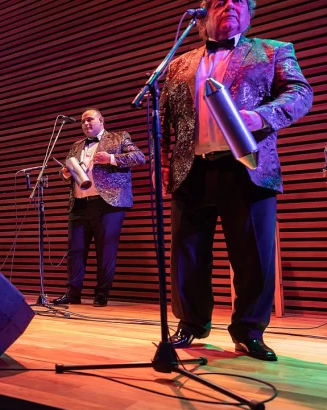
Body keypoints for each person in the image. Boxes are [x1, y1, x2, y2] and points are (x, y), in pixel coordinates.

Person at [160, 0, 312, 361]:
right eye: (218, 1)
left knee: (252, 256)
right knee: (188, 254)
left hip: (247, 165)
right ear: (202, 16)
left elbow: (301, 93)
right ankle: (191, 325)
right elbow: (165, 119)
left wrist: (261, 117)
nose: (229, 4)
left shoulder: (273, 51)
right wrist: (161, 163)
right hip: (191, 167)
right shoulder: (179, 63)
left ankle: (248, 331)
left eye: (239, 0)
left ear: (249, 13)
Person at [52, 108, 145, 307]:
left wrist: (111, 159)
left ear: (101, 120)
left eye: (90, 120)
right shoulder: (76, 145)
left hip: (108, 204)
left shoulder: (119, 137)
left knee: (106, 250)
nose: (86, 123)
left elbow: (139, 157)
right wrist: (65, 174)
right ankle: (73, 293)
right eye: (83, 121)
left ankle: (102, 294)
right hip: (79, 203)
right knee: (75, 251)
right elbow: (65, 171)